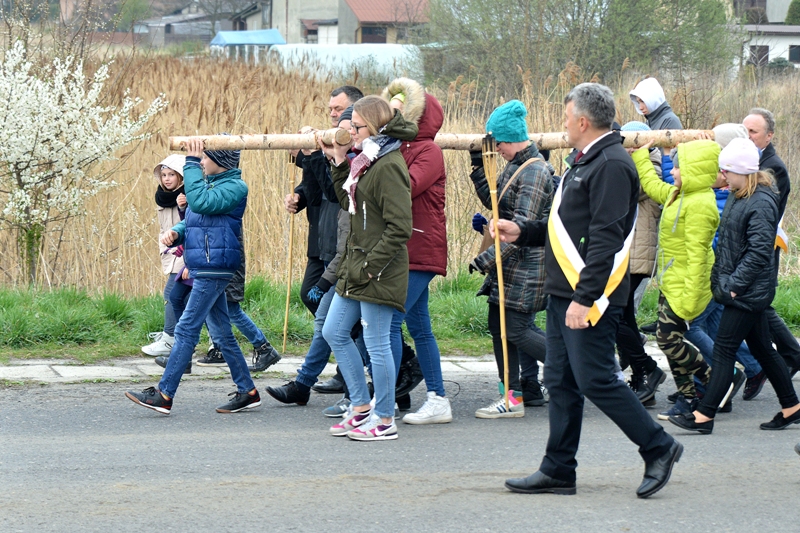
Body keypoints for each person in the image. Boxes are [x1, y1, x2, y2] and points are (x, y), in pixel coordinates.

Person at [496, 83, 681, 499]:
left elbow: (605, 240)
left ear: (582, 121)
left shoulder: (611, 165)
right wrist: (522, 231)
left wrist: (584, 299)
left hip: (589, 294)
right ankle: (558, 469)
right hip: (564, 291)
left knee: (596, 379)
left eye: (566, 118)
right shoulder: (585, 160)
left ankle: (659, 447)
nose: (563, 125)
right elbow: (567, 228)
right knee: (560, 380)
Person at [669, 137, 800, 434]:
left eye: (726, 170)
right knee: (763, 350)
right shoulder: (740, 194)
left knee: (724, 349)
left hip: (747, 292)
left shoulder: (761, 201)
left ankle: (704, 415)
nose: (723, 175)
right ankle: (792, 407)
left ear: (742, 171)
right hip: (743, 288)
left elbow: (759, 252)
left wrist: (733, 286)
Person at [125, 138, 261, 415]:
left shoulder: (235, 187)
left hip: (215, 266)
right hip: (207, 264)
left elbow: (200, 202)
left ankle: (164, 394)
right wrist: (177, 232)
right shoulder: (212, 185)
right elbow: (195, 217)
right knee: (223, 333)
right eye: (200, 158)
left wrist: (189, 162)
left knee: (186, 329)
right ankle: (247, 391)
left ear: (220, 161)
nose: (201, 162)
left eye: (205, 158)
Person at [319, 95, 416, 441]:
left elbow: (400, 228)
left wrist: (371, 267)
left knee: (376, 343)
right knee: (333, 331)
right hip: (357, 264)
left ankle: (385, 418)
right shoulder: (367, 159)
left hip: (378, 269)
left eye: (356, 127)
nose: (351, 132)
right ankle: (361, 406)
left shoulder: (389, 165)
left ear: (374, 127)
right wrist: (338, 161)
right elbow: (349, 202)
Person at [631, 138, 739, 422]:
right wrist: (641, 156)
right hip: (672, 281)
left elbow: (698, 258)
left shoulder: (701, 205)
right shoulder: (678, 195)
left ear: (693, 171)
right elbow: (653, 186)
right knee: (669, 339)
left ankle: (717, 381)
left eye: (677, 167)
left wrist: (690, 301)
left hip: (687, 287)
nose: (673, 171)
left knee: (667, 341)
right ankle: (688, 397)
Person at [468, 99, 551, 418]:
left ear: (511, 138)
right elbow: (498, 202)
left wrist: (485, 260)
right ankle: (511, 395)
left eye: (498, 142)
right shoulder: (515, 166)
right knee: (499, 325)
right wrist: (479, 169)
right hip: (511, 266)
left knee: (516, 329)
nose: (497, 149)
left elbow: (520, 229)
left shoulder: (534, 172)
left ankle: (574, 367)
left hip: (526, 267)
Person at [381, 77, 452, 425]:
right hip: (405, 247)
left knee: (390, 322)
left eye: (398, 111)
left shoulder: (428, 151)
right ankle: (437, 398)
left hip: (421, 246)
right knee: (419, 327)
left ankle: (386, 399)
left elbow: (404, 187)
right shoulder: (397, 148)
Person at [283, 85, 364, 385]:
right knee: (314, 300)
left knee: (331, 321)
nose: (331, 113)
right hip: (321, 236)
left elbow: (335, 189)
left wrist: (313, 155)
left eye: (338, 109)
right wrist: (299, 195)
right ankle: (350, 363)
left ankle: (321, 378)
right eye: (330, 109)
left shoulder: (353, 150)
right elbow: (316, 189)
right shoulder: (328, 141)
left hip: (341, 242)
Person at [743, 108, 800, 377]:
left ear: (769, 136)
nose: (748, 136)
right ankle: (784, 356)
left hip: (761, 246)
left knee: (759, 306)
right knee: (756, 307)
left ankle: (786, 356)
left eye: (753, 132)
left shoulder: (772, 167)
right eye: (744, 130)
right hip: (751, 244)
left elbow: (763, 214)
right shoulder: (749, 159)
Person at [616, 122, 664, 406]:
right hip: (628, 250)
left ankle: (648, 368)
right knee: (624, 316)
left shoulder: (651, 164)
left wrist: (636, 158)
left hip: (637, 253)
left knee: (617, 316)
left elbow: (638, 189)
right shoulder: (638, 162)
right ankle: (642, 375)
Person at [141, 154, 187, 357]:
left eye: (172, 175)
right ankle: (186, 339)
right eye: (164, 175)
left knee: (171, 293)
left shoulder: (187, 196)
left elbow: (190, 224)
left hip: (184, 252)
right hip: (170, 251)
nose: (167, 179)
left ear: (181, 176)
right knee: (188, 299)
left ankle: (170, 339)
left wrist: (183, 206)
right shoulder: (162, 196)